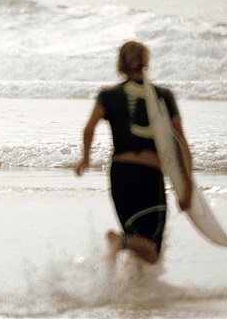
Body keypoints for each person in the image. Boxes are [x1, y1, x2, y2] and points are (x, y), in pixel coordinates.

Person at [75, 41, 192, 264]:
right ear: (146, 62)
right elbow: (180, 142)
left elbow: (89, 127)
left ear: (120, 64)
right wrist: (187, 187)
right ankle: (119, 242)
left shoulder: (108, 95)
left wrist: (85, 158)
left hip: (119, 174)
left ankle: (137, 289)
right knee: (152, 251)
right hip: (148, 176)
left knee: (136, 236)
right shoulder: (162, 96)